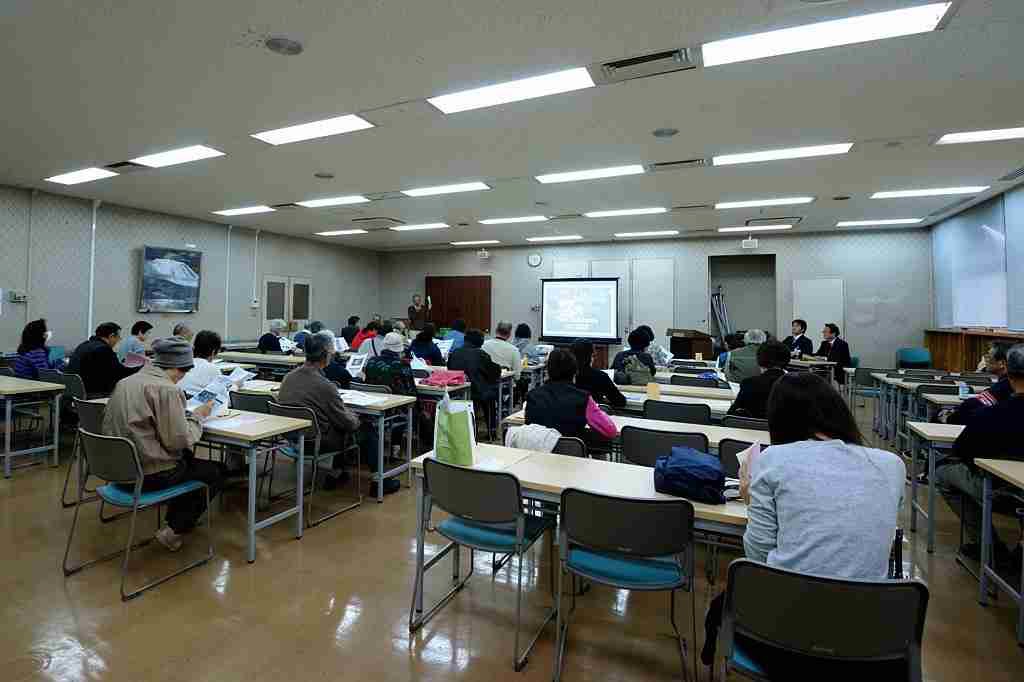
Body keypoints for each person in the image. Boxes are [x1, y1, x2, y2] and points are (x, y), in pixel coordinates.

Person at [703, 372, 905, 671]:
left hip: (782, 636)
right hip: (869, 638)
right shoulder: (892, 466)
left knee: (720, 605)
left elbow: (758, 561)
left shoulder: (773, 460)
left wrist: (751, 498)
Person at [102, 337, 224, 552]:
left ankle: (176, 518)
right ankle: (173, 530)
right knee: (214, 471)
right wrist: (197, 417)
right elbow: (179, 440)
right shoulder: (167, 389)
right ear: (179, 369)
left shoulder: (126, 382)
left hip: (117, 470)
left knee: (189, 463)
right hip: (148, 474)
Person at [936, 343, 1024, 568]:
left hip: (1002, 492)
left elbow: (962, 451)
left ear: (1008, 375)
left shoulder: (990, 416)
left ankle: (990, 546)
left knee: (943, 473)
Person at [277, 333, 362, 488]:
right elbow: (348, 423)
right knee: (363, 429)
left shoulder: (288, 377)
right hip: (316, 442)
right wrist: (356, 417)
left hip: (291, 439)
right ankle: (374, 478)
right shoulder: (325, 386)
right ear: (326, 356)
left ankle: (337, 470)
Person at [525, 348, 618, 446]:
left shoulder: (533, 395)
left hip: (537, 455)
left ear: (547, 371)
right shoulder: (584, 398)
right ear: (575, 372)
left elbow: (528, 428)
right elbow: (610, 431)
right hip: (571, 455)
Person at [947, 342, 1013, 425]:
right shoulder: (1007, 384)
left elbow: (967, 408)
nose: (985, 359)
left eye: (988, 356)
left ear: (1002, 364)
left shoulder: (1002, 388)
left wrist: (946, 416)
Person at [67, 322, 141, 396]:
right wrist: (140, 368)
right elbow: (120, 374)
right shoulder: (103, 349)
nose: (118, 340)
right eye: (118, 337)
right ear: (111, 336)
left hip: (76, 393)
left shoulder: (84, 345)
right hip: (95, 393)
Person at [727, 341, 790, 419]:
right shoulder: (795, 385)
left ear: (759, 360)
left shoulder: (749, 384)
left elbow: (731, 416)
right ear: (787, 360)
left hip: (752, 428)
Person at [447, 329, 502, 412]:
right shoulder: (480, 354)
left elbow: (450, 369)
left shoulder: (454, 353)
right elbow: (495, 372)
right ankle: (492, 424)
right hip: (477, 392)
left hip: (457, 391)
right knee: (492, 392)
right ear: (480, 342)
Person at [572, 339, 626, 408]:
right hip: (592, 416)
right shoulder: (600, 376)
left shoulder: (565, 374)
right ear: (592, 356)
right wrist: (604, 401)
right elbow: (620, 402)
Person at [364, 332, 417, 396]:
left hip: (372, 399)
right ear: (400, 349)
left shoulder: (371, 361)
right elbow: (411, 390)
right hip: (398, 402)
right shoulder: (403, 365)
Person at [179, 330, 225, 396]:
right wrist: (235, 387)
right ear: (213, 352)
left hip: (181, 403)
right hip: (199, 405)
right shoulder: (212, 369)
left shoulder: (182, 364)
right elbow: (224, 398)